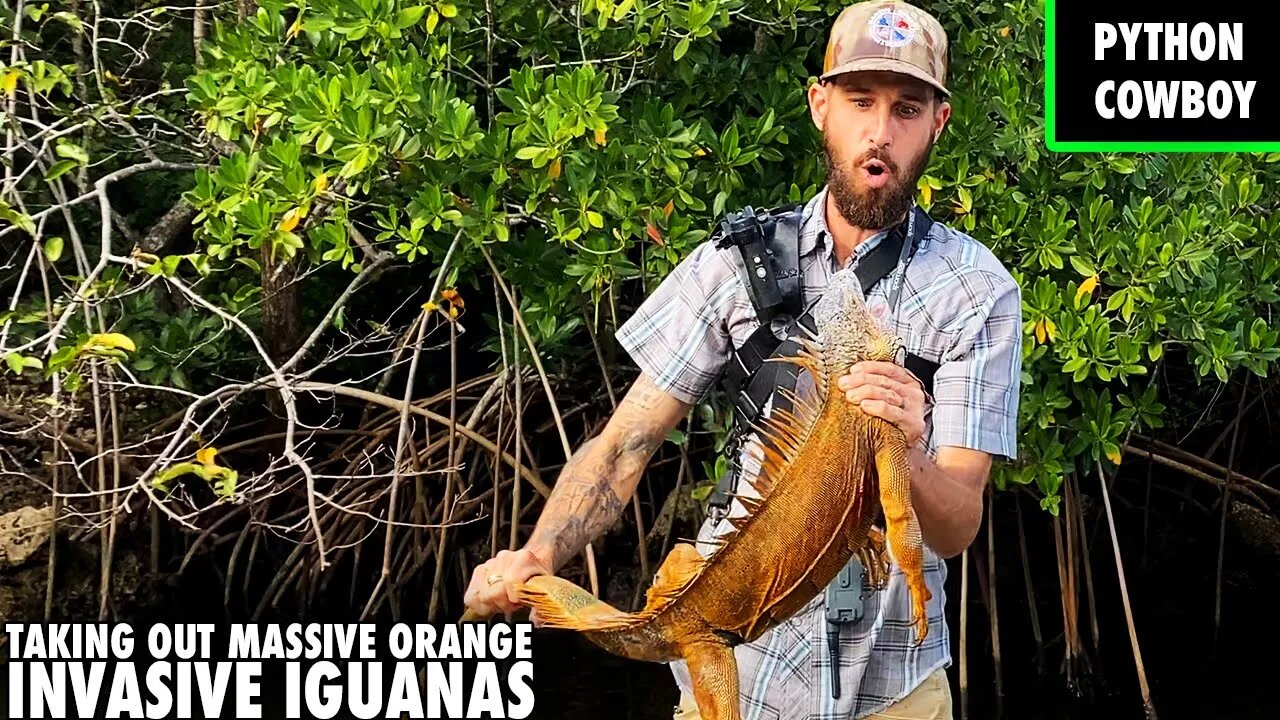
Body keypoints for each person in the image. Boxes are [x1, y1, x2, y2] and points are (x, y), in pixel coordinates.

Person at [461, 1, 1023, 718]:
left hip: (897, 688)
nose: (880, 132)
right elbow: (625, 446)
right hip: (740, 672)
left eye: (907, 109)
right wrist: (535, 560)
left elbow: (955, 528)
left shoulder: (977, 291)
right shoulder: (734, 265)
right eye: (859, 102)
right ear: (821, 107)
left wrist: (906, 450)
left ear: (937, 123)